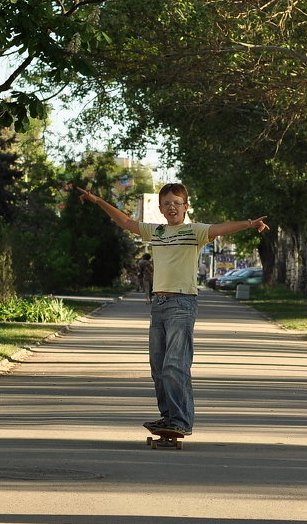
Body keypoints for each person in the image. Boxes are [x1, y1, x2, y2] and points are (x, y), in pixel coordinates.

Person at [78, 182, 268, 438]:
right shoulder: (156, 232)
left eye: (176, 203)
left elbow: (220, 228)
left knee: (174, 366)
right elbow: (126, 222)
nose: (171, 208)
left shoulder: (195, 232)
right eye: (166, 204)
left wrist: (249, 223)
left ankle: (181, 420)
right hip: (159, 305)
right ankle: (168, 417)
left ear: (185, 206)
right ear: (160, 208)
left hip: (182, 303)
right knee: (158, 367)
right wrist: (98, 201)